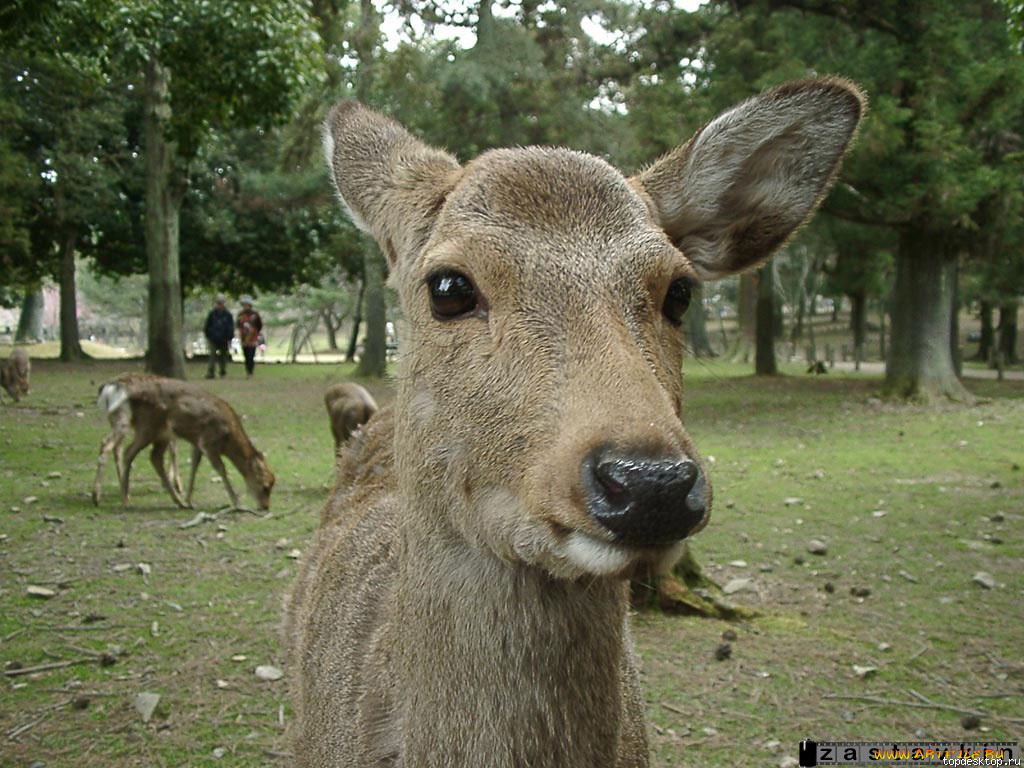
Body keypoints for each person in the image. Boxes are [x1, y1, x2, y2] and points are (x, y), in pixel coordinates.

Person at [203, 295, 234, 379]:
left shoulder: (228, 315)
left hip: (224, 339)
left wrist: (229, 338)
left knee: (223, 357)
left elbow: (230, 327)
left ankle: (222, 372)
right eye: (218, 303)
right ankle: (211, 372)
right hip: (213, 339)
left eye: (221, 303)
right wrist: (208, 335)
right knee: (212, 356)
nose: (220, 305)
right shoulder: (212, 314)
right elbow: (207, 326)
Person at [237, 295, 263, 378]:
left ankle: (250, 372)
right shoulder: (240, 315)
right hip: (244, 338)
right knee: (246, 355)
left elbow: (259, 325)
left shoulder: (255, 314)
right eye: (244, 305)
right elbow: (238, 325)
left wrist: (254, 332)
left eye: (247, 305)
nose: (246, 306)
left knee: (251, 355)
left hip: (253, 338)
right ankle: (247, 371)